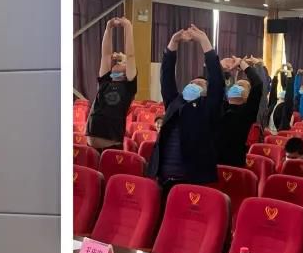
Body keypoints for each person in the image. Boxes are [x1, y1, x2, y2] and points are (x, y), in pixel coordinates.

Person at [146, 25, 222, 204]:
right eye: (192, 82)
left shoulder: (208, 106)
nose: (194, 83)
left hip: (191, 179)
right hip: (162, 177)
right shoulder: (175, 102)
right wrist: (173, 43)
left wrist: (204, 41)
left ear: (207, 92)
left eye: (200, 84)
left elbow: (217, 79)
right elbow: (166, 77)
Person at [85, 17, 137, 153]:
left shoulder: (129, 86)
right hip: (91, 144)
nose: (118, 63)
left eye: (122, 63)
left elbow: (131, 56)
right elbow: (106, 55)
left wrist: (128, 27)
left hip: (111, 144)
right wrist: (108, 28)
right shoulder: (106, 81)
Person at [216, 57, 264, 167]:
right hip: (215, 163)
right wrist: (221, 67)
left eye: (241, 86)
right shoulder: (221, 107)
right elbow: (215, 84)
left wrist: (242, 64)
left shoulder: (248, 111)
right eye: (236, 85)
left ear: (248, 95)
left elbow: (257, 84)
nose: (236, 86)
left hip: (235, 164)